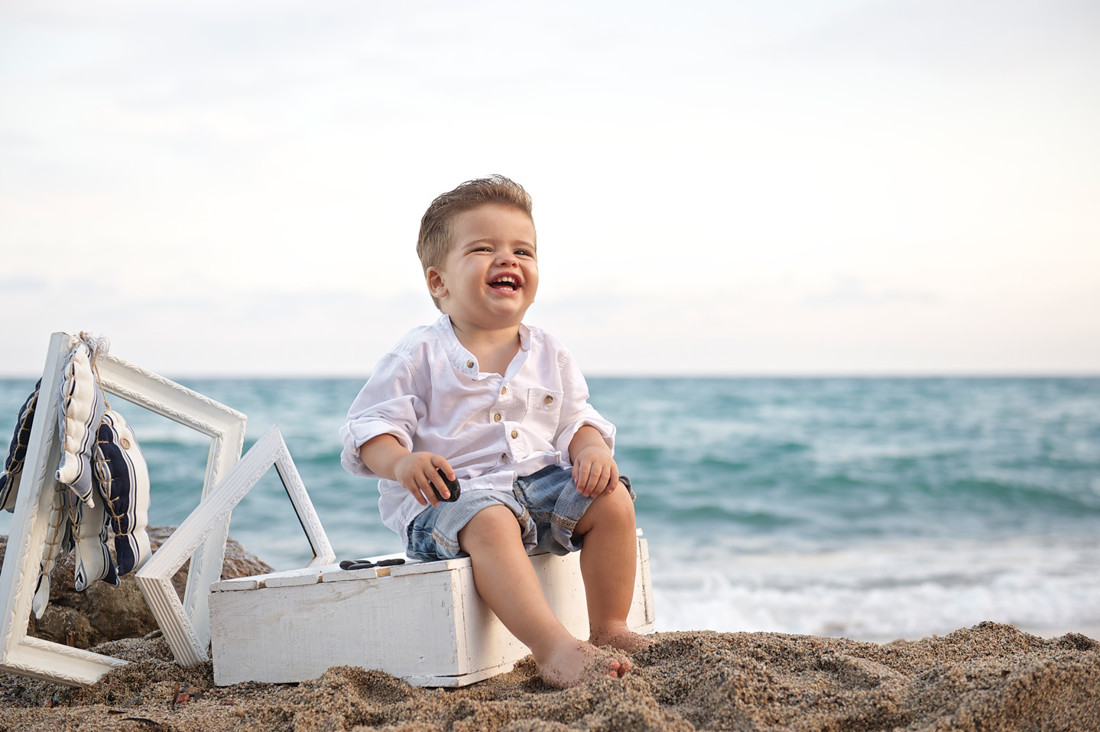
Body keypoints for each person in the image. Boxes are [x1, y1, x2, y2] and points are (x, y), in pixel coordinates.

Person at [339, 175, 652, 688]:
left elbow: (576, 418)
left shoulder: (549, 350)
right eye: (484, 248)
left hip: (534, 489)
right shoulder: (418, 353)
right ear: (439, 282)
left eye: (522, 250)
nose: (508, 260)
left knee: (612, 497)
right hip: (449, 504)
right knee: (489, 520)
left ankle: (610, 626)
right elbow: (371, 426)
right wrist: (400, 462)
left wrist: (590, 446)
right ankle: (552, 646)